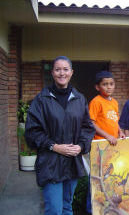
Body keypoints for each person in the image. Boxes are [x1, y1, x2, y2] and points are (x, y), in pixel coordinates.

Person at [25, 56, 95, 215]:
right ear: (52, 73)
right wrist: (54, 146)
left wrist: (81, 146)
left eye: (65, 69)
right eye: (58, 69)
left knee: (67, 208)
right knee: (54, 210)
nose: (61, 73)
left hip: (72, 162)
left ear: (71, 72)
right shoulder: (42, 100)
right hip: (50, 163)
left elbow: (87, 127)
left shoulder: (79, 99)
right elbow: (32, 131)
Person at [86, 71, 125, 214]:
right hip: (99, 147)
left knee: (108, 178)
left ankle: (106, 208)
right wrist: (108, 136)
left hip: (112, 146)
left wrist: (119, 131)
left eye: (111, 84)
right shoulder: (96, 101)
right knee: (97, 179)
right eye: (105, 84)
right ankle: (91, 210)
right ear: (97, 87)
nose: (109, 87)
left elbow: (115, 121)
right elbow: (91, 123)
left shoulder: (114, 102)